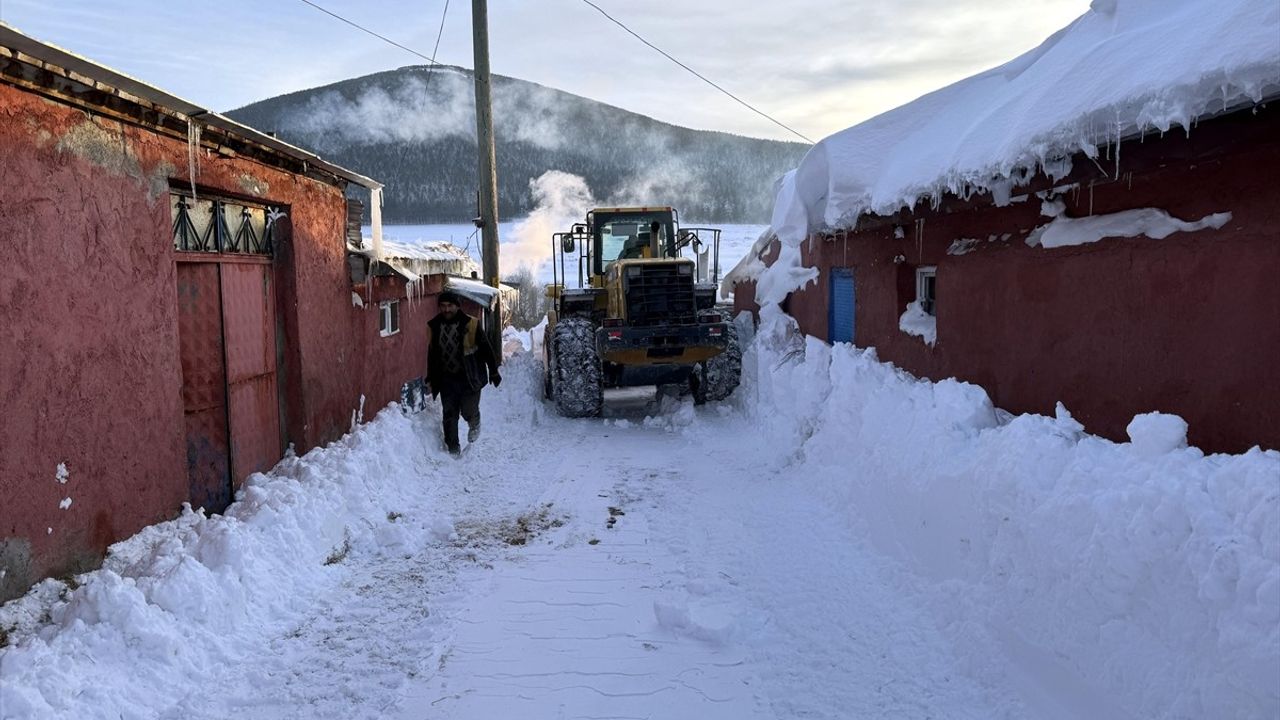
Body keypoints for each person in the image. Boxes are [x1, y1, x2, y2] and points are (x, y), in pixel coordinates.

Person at [426, 291, 501, 455]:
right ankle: (453, 449)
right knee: (449, 414)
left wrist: (493, 371)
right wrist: (430, 376)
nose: (446, 309)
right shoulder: (434, 326)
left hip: (469, 376)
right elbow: (432, 355)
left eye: (450, 306)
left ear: (457, 306)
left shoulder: (471, 324)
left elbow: (487, 349)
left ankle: (475, 422)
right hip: (447, 379)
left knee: (468, 410)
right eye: (443, 306)